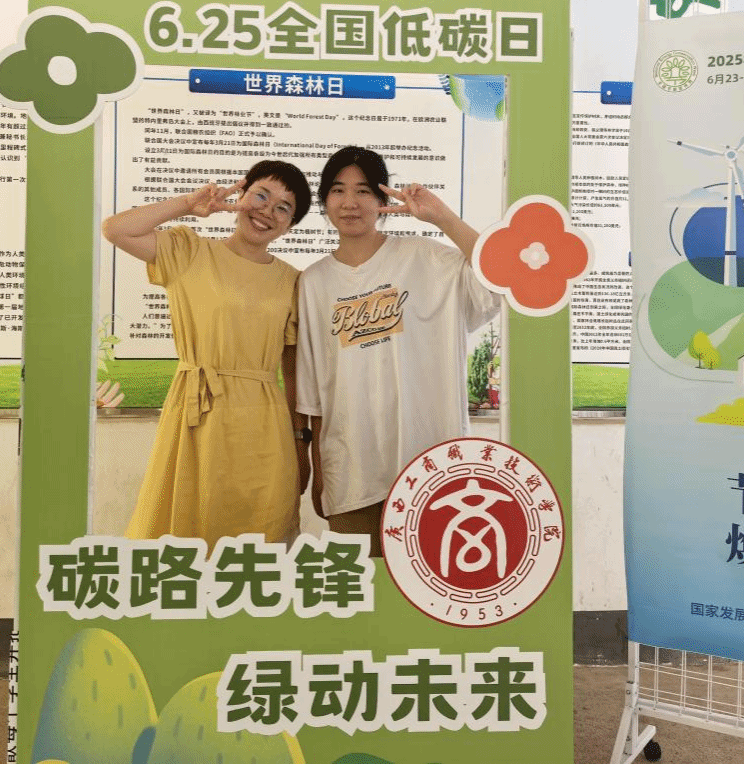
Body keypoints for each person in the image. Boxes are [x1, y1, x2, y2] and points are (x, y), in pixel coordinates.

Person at [295, 146, 500, 554]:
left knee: (429, 579)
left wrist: (443, 218)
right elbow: (313, 394)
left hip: (430, 469)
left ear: (382, 201)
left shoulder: (426, 258)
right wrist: (320, 471)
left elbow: (498, 276)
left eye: (363, 191)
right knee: (359, 584)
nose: (350, 202)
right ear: (325, 200)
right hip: (351, 473)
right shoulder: (313, 282)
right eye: (338, 190)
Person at [102, 160, 312, 545]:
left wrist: (301, 442)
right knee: (186, 532)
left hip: (264, 428)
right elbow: (116, 229)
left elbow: (294, 370)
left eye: (283, 208)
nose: (267, 211)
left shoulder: (292, 281)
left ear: (290, 226)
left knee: (260, 542)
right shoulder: (189, 251)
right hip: (197, 412)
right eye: (261, 196)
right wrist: (188, 204)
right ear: (241, 195)